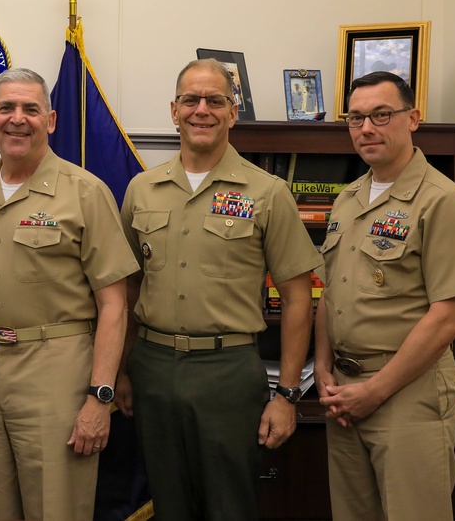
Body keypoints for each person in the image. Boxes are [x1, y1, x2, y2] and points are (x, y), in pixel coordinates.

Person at [117, 58, 322, 520]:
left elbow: (296, 298)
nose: (201, 110)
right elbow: (128, 288)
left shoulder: (267, 192)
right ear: (174, 110)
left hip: (227, 371)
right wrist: (122, 371)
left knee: (230, 504)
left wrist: (288, 395)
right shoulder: (141, 189)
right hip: (152, 366)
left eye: (216, 100)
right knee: (167, 502)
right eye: (191, 99)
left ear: (233, 112)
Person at [0, 67, 138, 521]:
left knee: (56, 509)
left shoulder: (85, 193)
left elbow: (115, 303)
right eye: (7, 108)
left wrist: (100, 396)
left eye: (30, 109)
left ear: (50, 120)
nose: (18, 119)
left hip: (58, 371)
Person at [314, 71, 455, 521]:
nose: (367, 128)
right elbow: (331, 294)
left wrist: (374, 391)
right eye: (356, 118)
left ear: (413, 119)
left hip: (407, 392)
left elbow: (450, 316)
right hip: (345, 392)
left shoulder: (442, 201)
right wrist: (324, 368)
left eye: (382, 115)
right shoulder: (348, 198)